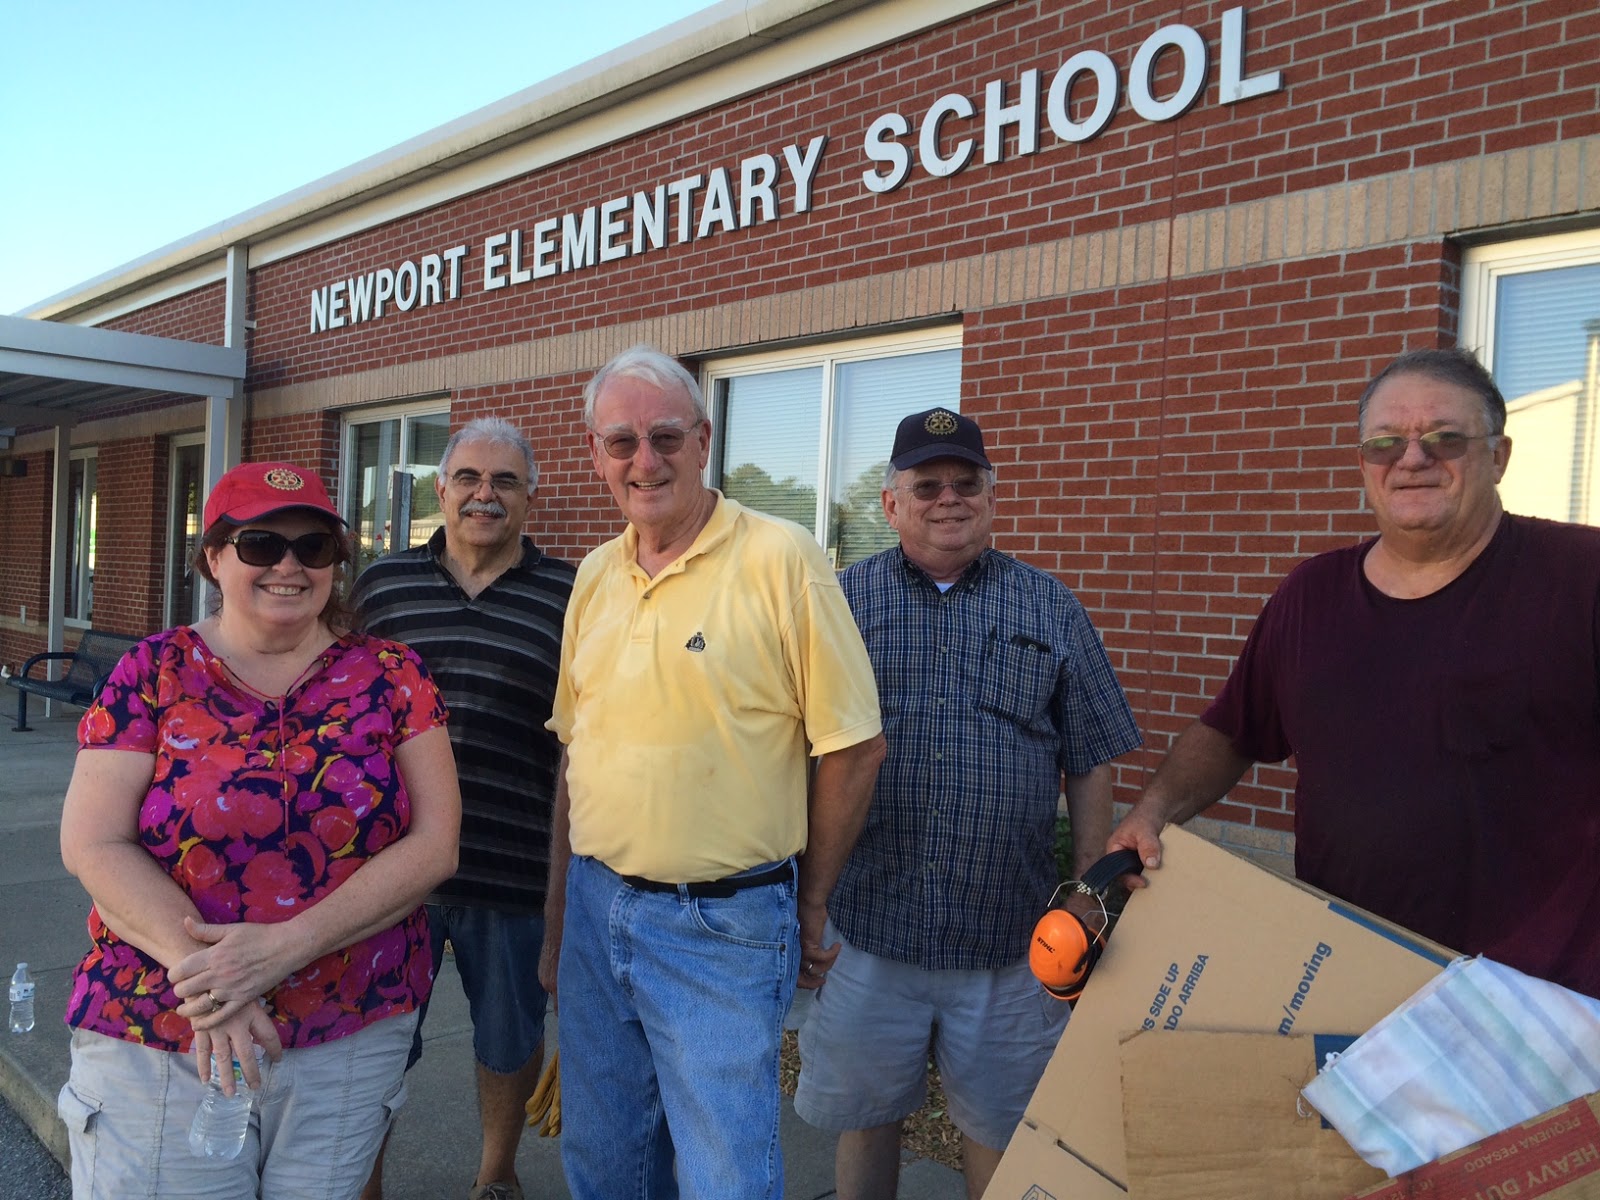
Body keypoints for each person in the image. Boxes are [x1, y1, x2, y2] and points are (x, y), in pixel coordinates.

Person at [1108, 347, 1600, 1002]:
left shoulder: (1581, 578)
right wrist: (1152, 811)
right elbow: (1231, 732)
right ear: (1364, 464)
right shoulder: (1311, 595)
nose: (1413, 459)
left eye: (1445, 438)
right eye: (1386, 443)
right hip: (1344, 982)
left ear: (1499, 456)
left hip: (1540, 1002)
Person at [57, 461, 461, 1200]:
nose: (289, 565)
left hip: (349, 1028)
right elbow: (93, 842)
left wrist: (285, 948)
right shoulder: (153, 671)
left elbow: (436, 845)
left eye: (313, 546)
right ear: (214, 557)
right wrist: (218, 982)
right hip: (162, 1029)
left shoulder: (394, 674)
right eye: (261, 544)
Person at [540, 344, 886, 1200]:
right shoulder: (595, 576)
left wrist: (811, 903)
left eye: (665, 437)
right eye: (621, 442)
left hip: (722, 926)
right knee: (603, 1159)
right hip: (595, 910)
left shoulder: (781, 558)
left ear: (703, 440)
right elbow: (575, 753)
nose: (644, 461)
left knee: (723, 1174)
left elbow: (853, 746)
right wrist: (558, 922)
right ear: (594, 454)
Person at [792, 407, 1143, 1200]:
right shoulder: (838, 605)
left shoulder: (1050, 607)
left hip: (1008, 940)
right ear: (892, 504)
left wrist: (1087, 889)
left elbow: (1090, 755)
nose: (948, 498)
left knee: (1000, 1130)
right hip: (868, 929)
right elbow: (796, 752)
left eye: (966, 483)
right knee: (867, 1119)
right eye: (927, 486)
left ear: (991, 497)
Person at [353, 417, 574, 1200]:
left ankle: (496, 1176)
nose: (486, 494)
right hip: (390, 870)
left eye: (505, 480)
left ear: (530, 497)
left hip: (513, 864)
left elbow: (584, 738)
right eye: (470, 479)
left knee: (510, 1039)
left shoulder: (572, 595)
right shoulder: (382, 586)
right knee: (372, 1044)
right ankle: (363, 1185)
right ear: (441, 490)